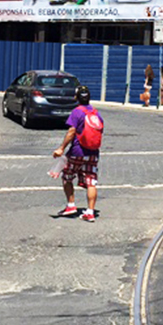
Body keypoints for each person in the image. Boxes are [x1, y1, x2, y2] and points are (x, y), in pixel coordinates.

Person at [53, 84, 102, 222]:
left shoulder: (77, 112)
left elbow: (71, 131)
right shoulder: (96, 113)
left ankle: (71, 205)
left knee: (67, 176)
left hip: (77, 151)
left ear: (76, 98)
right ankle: (90, 212)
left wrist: (61, 148)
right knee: (91, 181)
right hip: (93, 152)